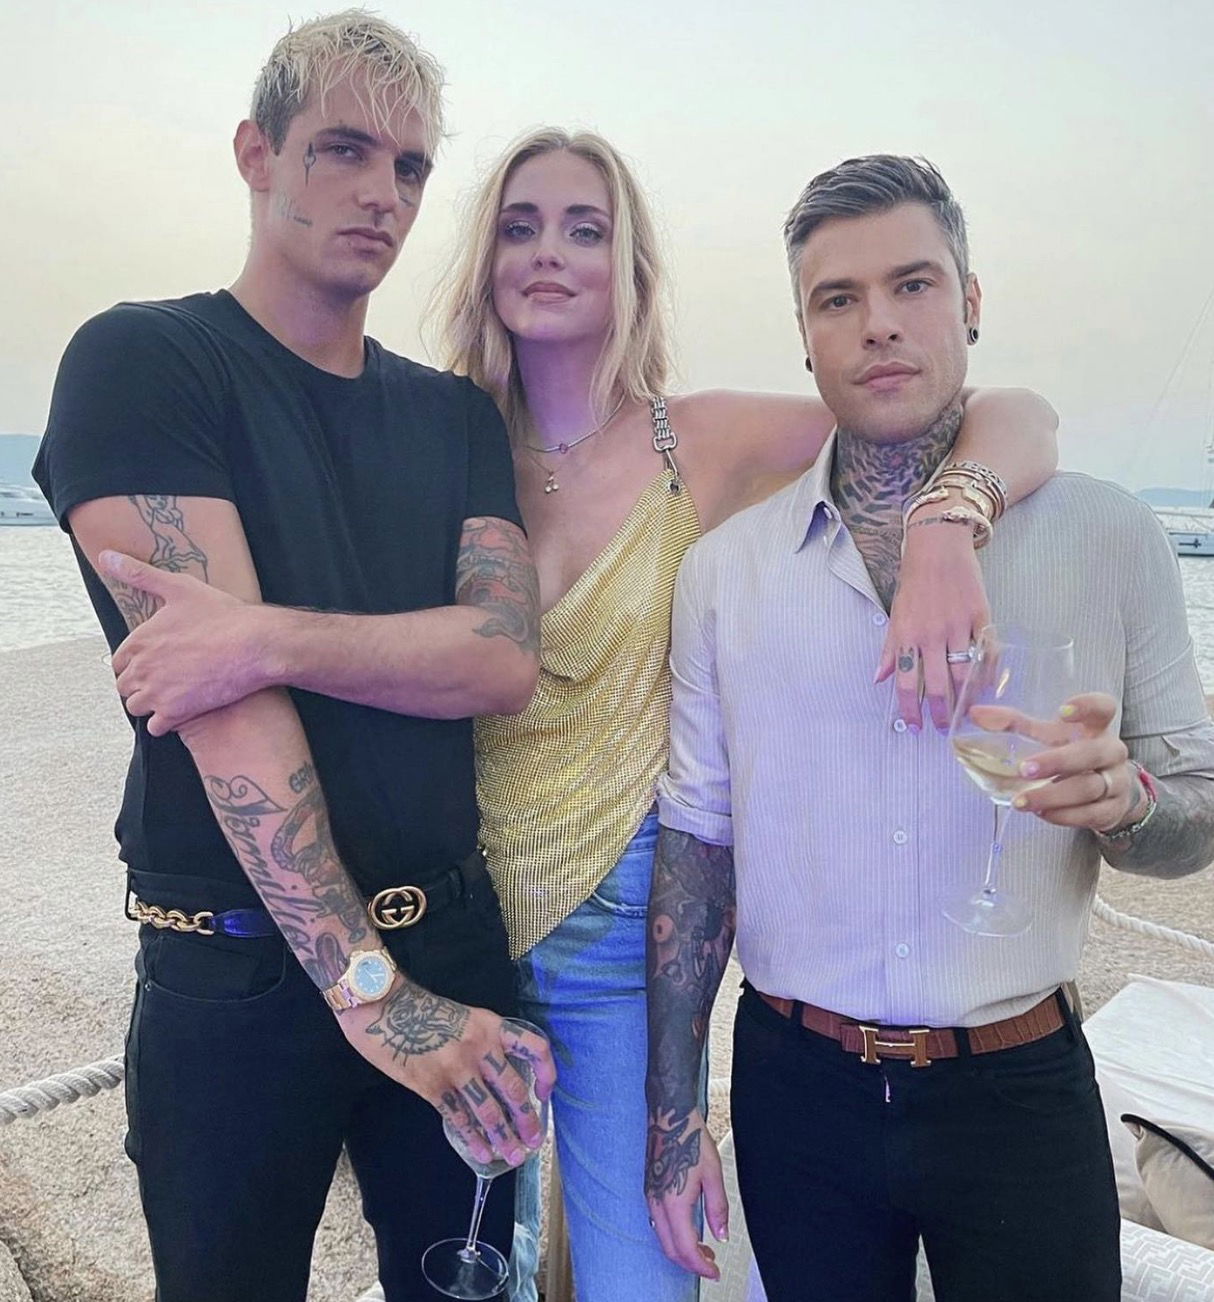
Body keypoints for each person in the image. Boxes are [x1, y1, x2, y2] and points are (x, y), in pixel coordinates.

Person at [97, 131, 1059, 1302]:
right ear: (485, 258)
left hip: (618, 940)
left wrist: (950, 519)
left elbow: (990, 410)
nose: (548, 252)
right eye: (520, 226)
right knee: (463, 1275)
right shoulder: (430, 437)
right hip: (442, 929)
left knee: (636, 1280)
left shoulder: (699, 439)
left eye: (584, 229)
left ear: (629, 268)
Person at [32, 13, 553, 1302]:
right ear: (256, 153)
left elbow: (499, 662)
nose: (383, 193)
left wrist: (262, 632)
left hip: (451, 936)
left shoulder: (455, 415)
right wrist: (378, 1003)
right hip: (237, 971)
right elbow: (227, 715)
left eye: (411, 166)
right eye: (343, 149)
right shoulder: (145, 360)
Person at [643, 153, 1214, 1302]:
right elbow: (697, 848)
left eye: (911, 284)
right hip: (795, 1089)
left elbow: (1192, 813)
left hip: (1018, 1082)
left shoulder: (1108, 535)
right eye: (836, 298)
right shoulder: (724, 574)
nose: (877, 323)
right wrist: (671, 1119)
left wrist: (1126, 803)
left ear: (969, 301)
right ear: (804, 336)